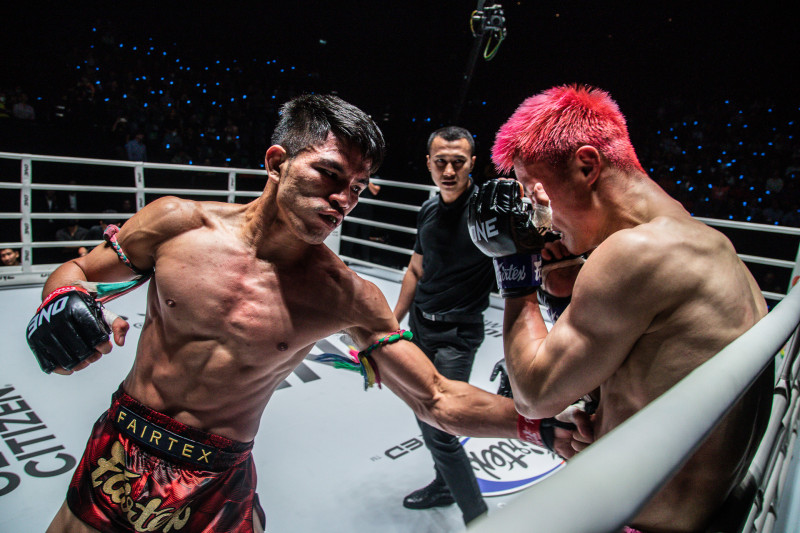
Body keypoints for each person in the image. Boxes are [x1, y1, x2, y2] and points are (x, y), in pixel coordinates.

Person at [26, 94, 590, 533]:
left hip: (217, 475)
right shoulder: (176, 224)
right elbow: (77, 271)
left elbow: (436, 398)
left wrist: (541, 426)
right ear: (277, 161)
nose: (344, 200)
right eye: (330, 175)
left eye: (358, 188)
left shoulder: (345, 295)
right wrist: (62, 305)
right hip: (124, 441)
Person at [469, 84, 773, 533]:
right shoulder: (705, 242)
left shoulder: (637, 252)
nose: (539, 219)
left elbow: (533, 396)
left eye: (535, 196)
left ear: (586, 166)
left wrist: (514, 265)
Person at [393, 126, 495, 524]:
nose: (449, 171)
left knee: (442, 426)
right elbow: (415, 269)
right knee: (425, 413)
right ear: (429, 164)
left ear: (472, 163)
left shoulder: (487, 212)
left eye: (457, 162)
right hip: (421, 327)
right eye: (441, 162)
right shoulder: (429, 210)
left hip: (457, 336)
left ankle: (478, 519)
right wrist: (393, 323)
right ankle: (443, 484)